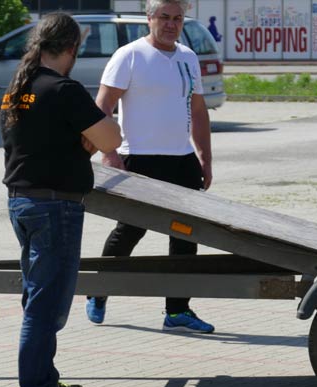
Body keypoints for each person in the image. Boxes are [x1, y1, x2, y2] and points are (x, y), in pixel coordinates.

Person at [2, 12, 122, 387]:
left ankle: (44, 381)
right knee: (46, 305)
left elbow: (41, 143)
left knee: (40, 298)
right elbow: (111, 138)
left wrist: (81, 140)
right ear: (72, 48)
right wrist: (91, 136)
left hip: (23, 202)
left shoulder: (19, 88)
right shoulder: (63, 89)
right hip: (54, 207)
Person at [85, 0, 216, 334]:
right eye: (164, 17)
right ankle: (99, 290)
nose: (171, 24)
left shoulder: (188, 57)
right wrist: (109, 153)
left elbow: (198, 111)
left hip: (181, 160)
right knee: (131, 230)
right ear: (149, 18)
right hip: (139, 158)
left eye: (178, 18)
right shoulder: (129, 55)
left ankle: (177, 310)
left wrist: (205, 156)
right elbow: (103, 107)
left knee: (186, 235)